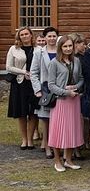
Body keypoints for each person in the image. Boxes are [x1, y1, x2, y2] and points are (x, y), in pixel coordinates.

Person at [47, 35, 84, 172]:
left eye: (70, 46)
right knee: (59, 130)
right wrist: (66, 92)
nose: (68, 49)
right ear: (60, 47)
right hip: (60, 101)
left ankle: (68, 159)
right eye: (65, 46)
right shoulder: (54, 63)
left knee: (71, 129)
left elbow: (81, 78)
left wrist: (75, 87)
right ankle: (57, 160)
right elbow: (51, 85)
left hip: (74, 100)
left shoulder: (77, 61)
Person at [5, 27, 39, 150]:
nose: (24, 36)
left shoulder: (38, 49)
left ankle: (30, 139)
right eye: (22, 34)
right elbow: (8, 67)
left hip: (34, 84)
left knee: (33, 112)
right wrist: (24, 72)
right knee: (21, 112)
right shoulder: (14, 49)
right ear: (19, 37)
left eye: (26, 34)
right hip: (19, 84)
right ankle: (24, 139)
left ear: (31, 35)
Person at [30, 26, 59, 159]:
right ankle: (47, 146)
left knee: (57, 119)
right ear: (45, 38)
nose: (52, 39)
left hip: (59, 89)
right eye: (49, 36)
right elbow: (34, 73)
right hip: (45, 90)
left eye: (54, 36)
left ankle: (57, 145)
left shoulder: (61, 50)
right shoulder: (39, 53)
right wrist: (37, 90)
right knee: (46, 120)